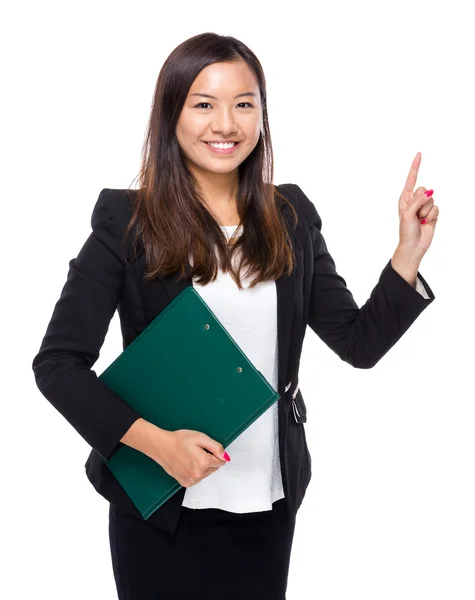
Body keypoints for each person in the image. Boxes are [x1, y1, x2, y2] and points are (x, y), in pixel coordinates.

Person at [31, 32, 438, 600]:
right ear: (170, 113)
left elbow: (357, 342)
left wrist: (407, 255)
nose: (226, 124)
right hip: (160, 509)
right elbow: (58, 365)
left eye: (244, 104)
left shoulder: (290, 215)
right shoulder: (126, 220)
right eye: (204, 104)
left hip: (266, 505)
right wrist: (157, 443)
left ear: (261, 117)